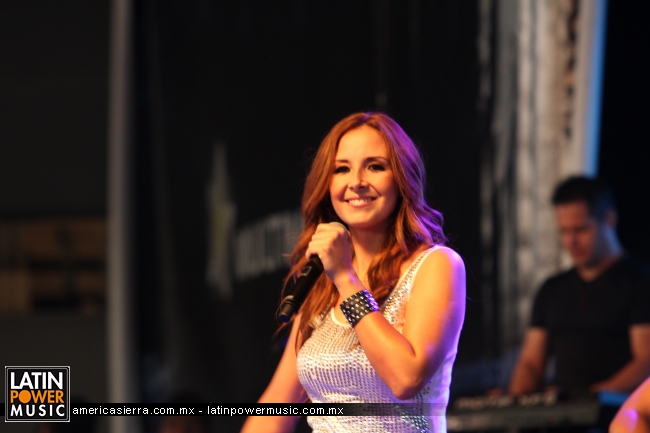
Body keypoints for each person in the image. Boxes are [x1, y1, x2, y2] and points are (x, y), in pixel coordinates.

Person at [240, 112, 466, 432]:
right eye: (342, 169)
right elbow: (278, 404)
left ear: (402, 178)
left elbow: (406, 378)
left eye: (375, 166)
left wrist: (346, 278)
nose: (356, 182)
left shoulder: (436, 264)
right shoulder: (321, 282)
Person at [508, 176, 650, 397]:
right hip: (562, 413)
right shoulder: (551, 289)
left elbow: (646, 363)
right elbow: (531, 364)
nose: (570, 242)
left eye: (580, 230)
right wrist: (514, 401)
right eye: (564, 232)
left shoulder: (640, 283)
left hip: (618, 413)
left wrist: (586, 399)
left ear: (609, 219)